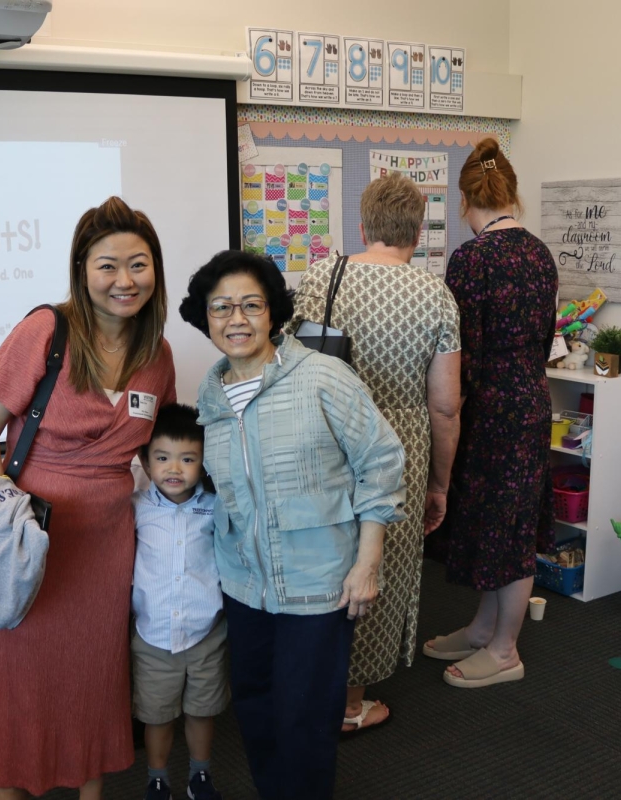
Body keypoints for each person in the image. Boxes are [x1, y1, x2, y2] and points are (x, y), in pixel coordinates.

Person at [0, 196, 176, 799]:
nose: (123, 280)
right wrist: (3, 508)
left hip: (108, 546)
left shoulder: (156, 356)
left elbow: (152, 455)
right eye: (107, 265)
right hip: (31, 541)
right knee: (21, 685)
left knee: (94, 679)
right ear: (82, 270)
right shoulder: (44, 332)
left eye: (138, 264)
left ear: (155, 271)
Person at [179, 251, 406, 800]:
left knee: (305, 718)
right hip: (244, 583)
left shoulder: (324, 377)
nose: (237, 318)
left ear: (273, 311)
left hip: (318, 584)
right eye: (222, 307)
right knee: (255, 705)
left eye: (251, 305)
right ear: (205, 318)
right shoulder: (210, 395)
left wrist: (367, 563)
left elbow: (381, 463)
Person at [289, 172, 461, 731]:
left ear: (362, 225)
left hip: (327, 442)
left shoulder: (320, 277)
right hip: (399, 451)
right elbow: (445, 406)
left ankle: (307, 683)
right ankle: (348, 701)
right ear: (417, 231)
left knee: (321, 561)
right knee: (374, 568)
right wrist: (440, 483)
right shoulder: (435, 294)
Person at [421, 138, 558, 688]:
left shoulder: (471, 259)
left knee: (506, 528)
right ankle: (483, 628)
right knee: (508, 522)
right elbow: (545, 336)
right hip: (531, 398)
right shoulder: (539, 253)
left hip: (490, 409)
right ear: (510, 194)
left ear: (464, 200)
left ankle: (505, 650)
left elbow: (461, 352)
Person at [131, 403, 227, 800]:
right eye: (163, 458)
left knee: (203, 711)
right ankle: (158, 778)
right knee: (157, 716)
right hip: (153, 636)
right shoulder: (136, 508)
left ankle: (199, 776)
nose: (174, 468)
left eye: (187, 459)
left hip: (206, 633)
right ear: (145, 460)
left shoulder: (214, 507)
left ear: (203, 463)